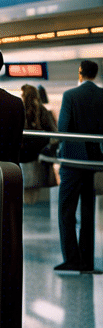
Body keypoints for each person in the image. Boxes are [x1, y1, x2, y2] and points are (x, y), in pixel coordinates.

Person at [55, 60, 103, 274]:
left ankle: (72, 259)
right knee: (88, 210)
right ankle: (87, 261)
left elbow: (63, 129)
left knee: (66, 210)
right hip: (93, 160)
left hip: (72, 161)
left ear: (80, 73)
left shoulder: (70, 95)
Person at [18, 84, 59, 204]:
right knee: (41, 200)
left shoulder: (19, 111)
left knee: (25, 198)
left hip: (23, 159)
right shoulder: (43, 111)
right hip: (41, 159)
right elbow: (54, 135)